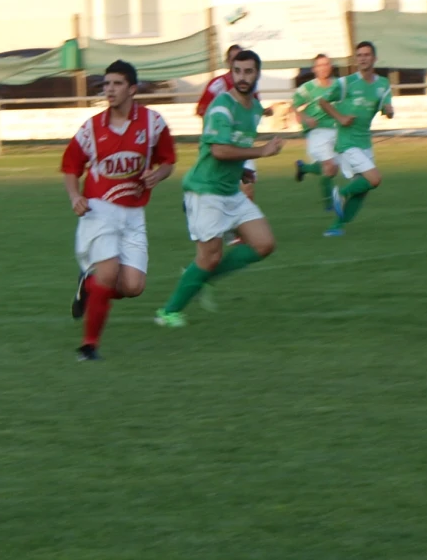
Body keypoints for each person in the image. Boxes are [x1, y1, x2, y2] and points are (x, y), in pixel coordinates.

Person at [156, 49, 282, 328]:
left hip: (229, 190)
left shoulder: (254, 109)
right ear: (231, 72)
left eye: (249, 71)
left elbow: (236, 148)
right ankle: (168, 313)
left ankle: (200, 278)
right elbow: (219, 150)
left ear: (257, 74)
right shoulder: (222, 106)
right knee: (209, 257)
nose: (243, 77)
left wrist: (245, 171)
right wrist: (262, 152)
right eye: (238, 71)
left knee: (264, 244)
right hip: (205, 191)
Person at [60, 60, 175, 360]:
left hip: (134, 214)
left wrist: (158, 175)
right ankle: (89, 346)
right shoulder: (92, 128)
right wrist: (75, 197)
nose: (109, 89)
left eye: (116, 84)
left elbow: (168, 161)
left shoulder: (153, 124)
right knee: (109, 273)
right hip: (100, 210)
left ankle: (89, 285)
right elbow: (70, 166)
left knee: (133, 286)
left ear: (133, 89)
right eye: (106, 84)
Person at [325, 39, 393, 237]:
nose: (363, 59)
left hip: (364, 142)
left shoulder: (383, 84)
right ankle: (340, 194)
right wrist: (341, 117)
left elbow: (387, 109)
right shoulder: (346, 82)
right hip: (347, 143)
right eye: (360, 55)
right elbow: (322, 101)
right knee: (375, 179)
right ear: (356, 59)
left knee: (362, 190)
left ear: (374, 58)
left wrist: (389, 111)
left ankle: (336, 226)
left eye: (366, 55)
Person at [197, 44, 256, 200]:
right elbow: (202, 109)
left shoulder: (249, 85)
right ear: (228, 62)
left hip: (242, 145)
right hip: (220, 145)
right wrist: (211, 135)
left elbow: (253, 109)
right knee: (217, 191)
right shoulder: (217, 85)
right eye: (233, 58)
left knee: (248, 190)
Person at [288, 53, 344, 213]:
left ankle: (304, 168)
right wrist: (305, 117)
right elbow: (293, 106)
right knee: (329, 165)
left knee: (332, 169)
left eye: (326, 64)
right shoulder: (307, 88)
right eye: (320, 65)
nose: (323, 68)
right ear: (314, 69)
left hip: (336, 130)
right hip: (316, 131)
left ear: (330, 67)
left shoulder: (339, 85)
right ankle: (329, 205)